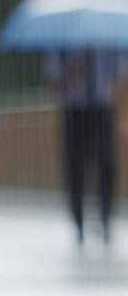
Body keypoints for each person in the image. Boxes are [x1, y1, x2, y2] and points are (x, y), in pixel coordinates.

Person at [46, 48, 128, 244]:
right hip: (74, 111)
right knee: (75, 167)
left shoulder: (107, 42)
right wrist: (79, 63)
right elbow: (56, 82)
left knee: (107, 164)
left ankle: (106, 218)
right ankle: (78, 221)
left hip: (102, 109)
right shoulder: (62, 44)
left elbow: (120, 75)